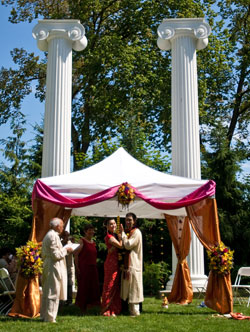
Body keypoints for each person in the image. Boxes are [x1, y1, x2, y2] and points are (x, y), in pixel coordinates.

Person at [40, 218, 73, 323]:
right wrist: (66, 249)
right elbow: (56, 255)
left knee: (47, 291)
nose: (63, 228)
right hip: (53, 266)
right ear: (57, 226)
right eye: (62, 225)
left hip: (49, 265)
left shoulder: (50, 235)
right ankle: (50, 317)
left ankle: (44, 315)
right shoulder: (53, 236)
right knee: (53, 291)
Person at [120, 212, 144, 316]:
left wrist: (123, 235)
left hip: (134, 264)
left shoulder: (136, 232)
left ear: (134, 221)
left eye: (130, 220)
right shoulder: (129, 232)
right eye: (126, 220)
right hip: (128, 265)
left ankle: (135, 311)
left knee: (134, 289)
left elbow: (128, 245)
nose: (128, 222)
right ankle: (130, 311)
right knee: (128, 288)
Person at [74, 224, 100, 312]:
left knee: (93, 287)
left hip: (93, 267)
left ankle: (92, 305)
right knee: (84, 286)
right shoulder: (81, 241)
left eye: (92, 230)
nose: (91, 232)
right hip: (84, 267)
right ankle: (81, 306)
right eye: (89, 230)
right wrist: (77, 267)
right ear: (85, 231)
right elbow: (76, 255)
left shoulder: (93, 242)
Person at [101, 218, 123, 316]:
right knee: (109, 285)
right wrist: (121, 236)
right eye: (111, 224)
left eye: (114, 223)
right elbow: (121, 246)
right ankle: (107, 309)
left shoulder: (113, 235)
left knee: (115, 285)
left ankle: (114, 308)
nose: (113, 225)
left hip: (115, 262)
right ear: (106, 226)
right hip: (111, 263)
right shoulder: (109, 236)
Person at [61, 231, 76, 305]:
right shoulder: (59, 243)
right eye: (65, 236)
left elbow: (74, 252)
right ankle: (62, 300)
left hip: (70, 265)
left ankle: (69, 300)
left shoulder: (70, 243)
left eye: (68, 235)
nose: (66, 237)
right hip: (62, 265)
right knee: (63, 283)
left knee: (70, 283)